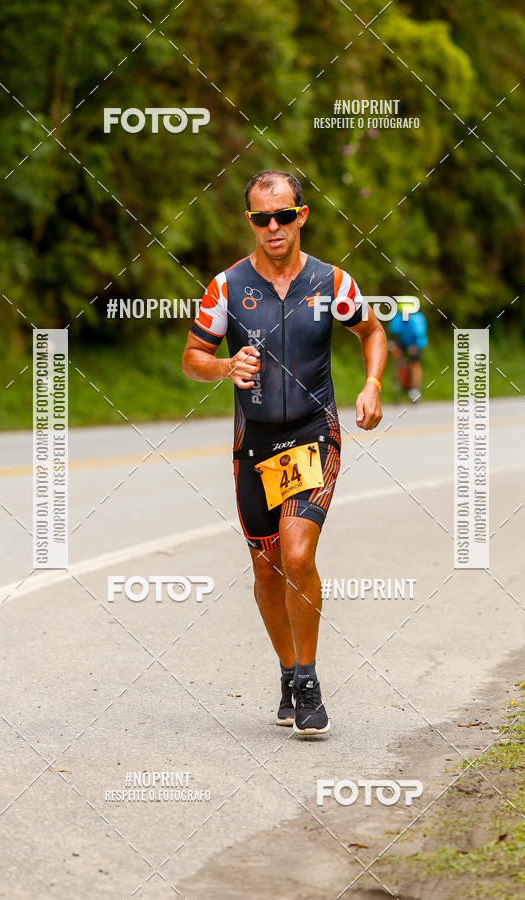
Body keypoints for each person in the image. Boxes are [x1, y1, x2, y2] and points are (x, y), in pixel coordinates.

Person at [182, 170, 386, 736]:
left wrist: (372, 384)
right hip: (255, 444)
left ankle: (311, 681)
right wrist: (225, 365)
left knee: (297, 555)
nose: (272, 227)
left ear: (302, 215)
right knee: (268, 569)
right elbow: (192, 356)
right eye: (259, 218)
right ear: (250, 221)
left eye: (282, 215)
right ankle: (288, 670)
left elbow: (371, 332)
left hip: (313, 433)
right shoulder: (226, 287)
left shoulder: (332, 282)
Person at [388, 303, 428, 402]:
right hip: (402, 343)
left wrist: (414, 346)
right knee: (398, 360)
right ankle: (400, 383)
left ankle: (415, 389)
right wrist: (395, 346)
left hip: (417, 343)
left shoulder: (418, 318)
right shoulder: (397, 317)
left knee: (415, 363)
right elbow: (394, 333)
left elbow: (419, 333)